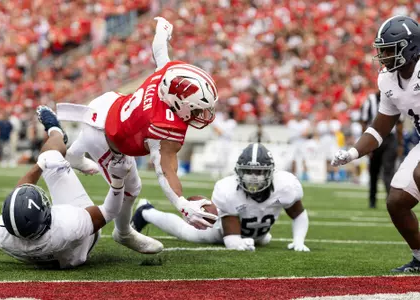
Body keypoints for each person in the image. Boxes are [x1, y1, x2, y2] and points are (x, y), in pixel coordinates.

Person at [56, 17, 218, 254]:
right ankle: (123, 233)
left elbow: (159, 50)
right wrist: (182, 205)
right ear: (178, 102)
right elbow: (165, 172)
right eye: (197, 108)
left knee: (114, 127)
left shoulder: (166, 76)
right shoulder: (164, 127)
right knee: (132, 188)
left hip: (107, 104)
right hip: (105, 136)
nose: (202, 114)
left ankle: (74, 155)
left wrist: (163, 29)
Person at [0, 106, 133, 269]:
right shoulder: (70, 224)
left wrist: (39, 166)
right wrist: (118, 180)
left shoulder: (4, 236)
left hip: (52, 245)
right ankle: (55, 130)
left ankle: (56, 141)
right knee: (50, 155)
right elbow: (110, 211)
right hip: (84, 241)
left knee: (42, 165)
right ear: (46, 217)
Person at [332, 15, 420, 272]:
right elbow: (381, 126)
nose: (383, 56)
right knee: (397, 201)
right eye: (382, 50)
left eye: (390, 50)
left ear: (411, 47)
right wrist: (352, 152)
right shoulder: (388, 79)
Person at [131, 143, 310, 252]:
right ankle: (146, 211)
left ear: (271, 173)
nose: (253, 177)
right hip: (220, 232)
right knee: (187, 233)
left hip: (255, 234)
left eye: (259, 172)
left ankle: (258, 237)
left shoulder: (286, 186)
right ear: (239, 171)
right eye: (248, 172)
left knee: (263, 239)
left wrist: (299, 241)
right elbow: (231, 240)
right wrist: (239, 242)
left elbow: (298, 214)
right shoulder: (228, 190)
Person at [360, 91, 404, 208]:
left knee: (388, 170)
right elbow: (364, 122)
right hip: (373, 137)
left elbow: (400, 124)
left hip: (389, 139)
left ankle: (391, 200)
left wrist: (400, 144)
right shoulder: (370, 100)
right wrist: (365, 145)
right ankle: (372, 200)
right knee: (373, 171)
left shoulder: (394, 98)